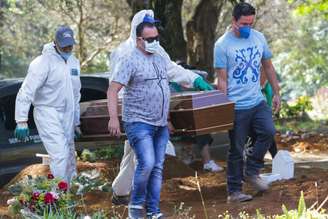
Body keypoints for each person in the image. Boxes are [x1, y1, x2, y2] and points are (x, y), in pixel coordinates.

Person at [107, 10, 213, 219]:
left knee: (138, 160)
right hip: (136, 117)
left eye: (156, 36)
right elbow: (116, 87)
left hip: (157, 119)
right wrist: (117, 118)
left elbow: (172, 70)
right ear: (138, 34)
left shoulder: (157, 51)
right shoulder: (123, 54)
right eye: (150, 36)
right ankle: (136, 208)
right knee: (144, 162)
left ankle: (122, 194)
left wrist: (194, 80)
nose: (154, 40)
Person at [214, 2, 281, 203]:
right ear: (234, 21)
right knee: (236, 149)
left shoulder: (258, 37)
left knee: (268, 132)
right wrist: (223, 108)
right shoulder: (222, 45)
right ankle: (234, 192)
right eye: (244, 23)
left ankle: (251, 171)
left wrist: (276, 93)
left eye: (251, 23)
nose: (248, 28)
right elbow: (222, 80)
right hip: (236, 105)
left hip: (257, 100)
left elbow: (268, 67)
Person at [14, 26, 81, 184]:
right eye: (63, 45)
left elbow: (76, 93)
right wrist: (21, 120)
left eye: (70, 45)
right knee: (60, 154)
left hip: (68, 113)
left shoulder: (74, 62)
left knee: (70, 153)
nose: (67, 48)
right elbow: (26, 91)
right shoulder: (42, 62)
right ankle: (60, 192)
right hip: (47, 111)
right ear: (55, 43)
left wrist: (76, 121)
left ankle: (71, 188)